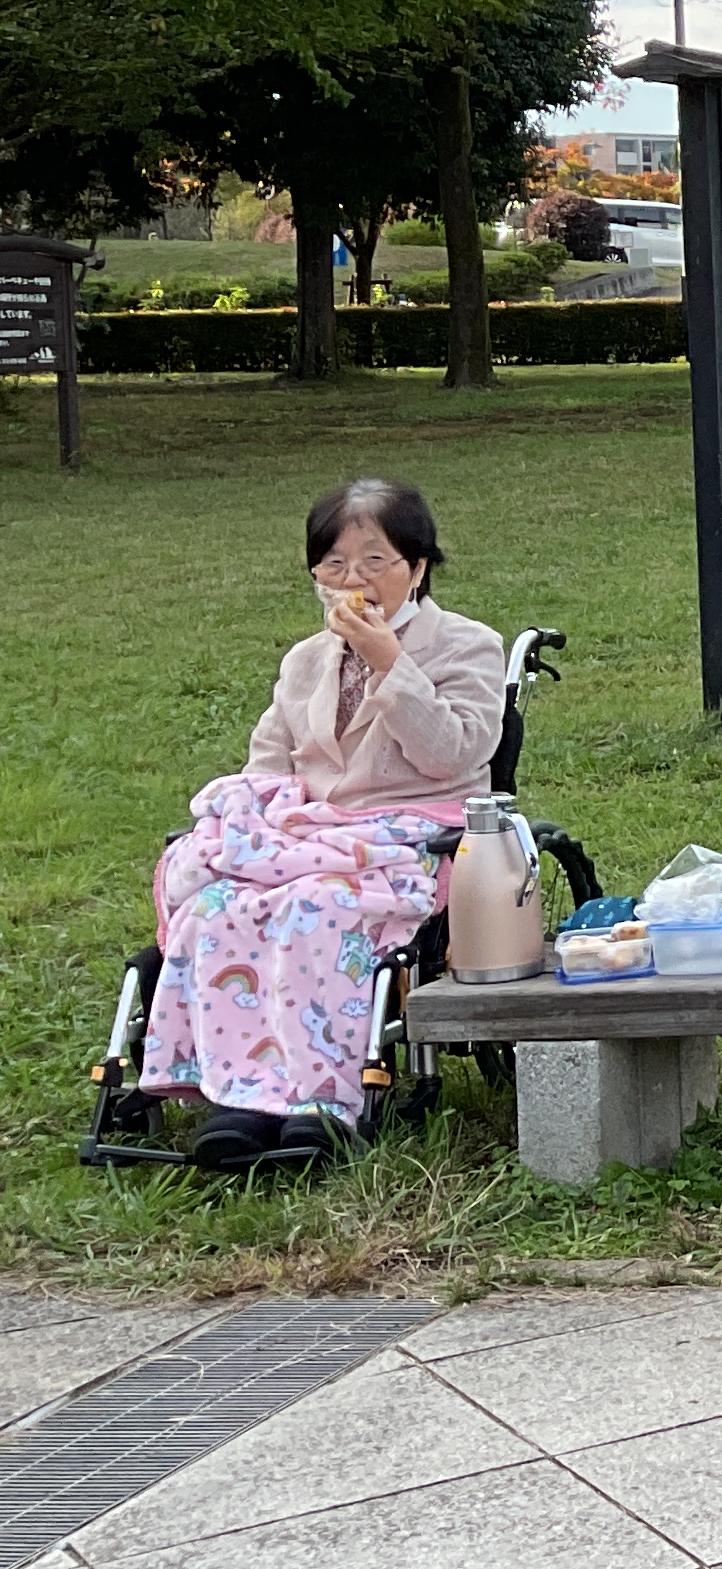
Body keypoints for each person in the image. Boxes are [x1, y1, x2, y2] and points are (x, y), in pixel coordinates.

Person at [143, 478, 508, 1167]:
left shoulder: (467, 647)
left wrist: (388, 664)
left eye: (376, 562)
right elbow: (268, 765)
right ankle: (240, 1095)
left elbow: (453, 753)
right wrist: (268, 820)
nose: (354, 580)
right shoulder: (305, 661)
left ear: (418, 566)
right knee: (221, 905)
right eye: (334, 565)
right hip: (308, 834)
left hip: (412, 837)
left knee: (321, 906)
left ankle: (322, 1096)